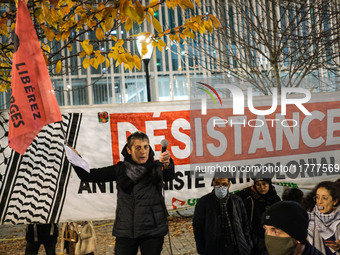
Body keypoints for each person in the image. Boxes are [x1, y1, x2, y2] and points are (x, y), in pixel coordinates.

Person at [69, 131, 175, 255]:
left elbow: (168, 175)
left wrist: (167, 164)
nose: (143, 151)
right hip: (126, 231)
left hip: (152, 231)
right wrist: (75, 157)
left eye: (146, 147)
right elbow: (88, 175)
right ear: (129, 150)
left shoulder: (156, 167)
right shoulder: (120, 169)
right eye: (138, 147)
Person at [192, 177, 253, 255]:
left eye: (224, 184)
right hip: (214, 248)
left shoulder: (237, 200)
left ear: (229, 185)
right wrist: (201, 248)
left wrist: (248, 244)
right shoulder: (203, 202)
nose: (220, 187)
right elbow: (198, 226)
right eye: (217, 183)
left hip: (236, 247)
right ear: (213, 183)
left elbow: (245, 224)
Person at [236, 178, 281, 254]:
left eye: (264, 184)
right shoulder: (249, 199)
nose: (262, 188)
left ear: (269, 184)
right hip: (254, 237)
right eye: (258, 185)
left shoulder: (276, 199)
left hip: (273, 236)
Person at [305, 181, 340, 254]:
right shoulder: (308, 219)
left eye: (324, 198)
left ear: (335, 201)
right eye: (317, 197)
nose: (319, 201)